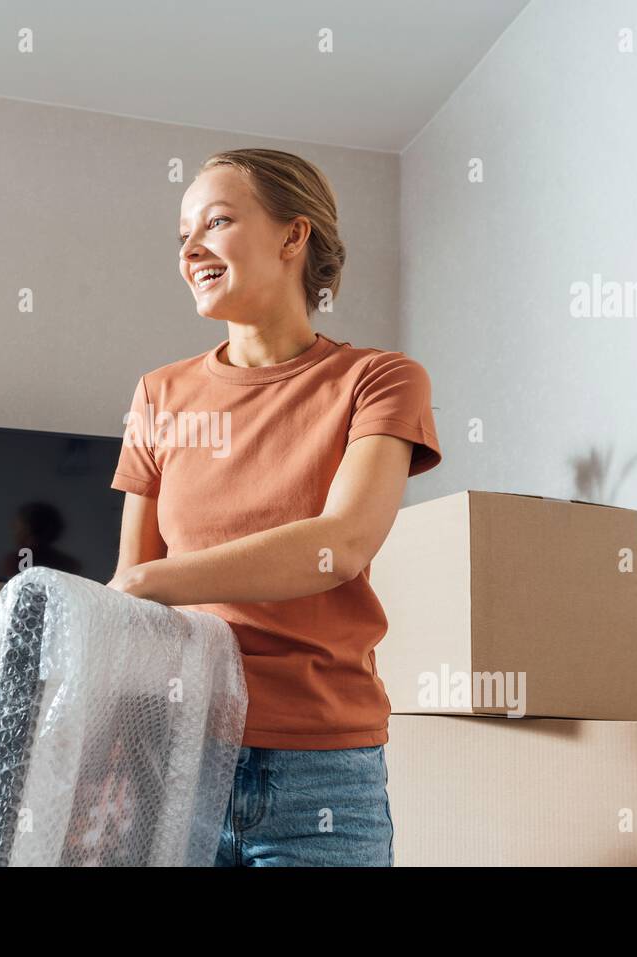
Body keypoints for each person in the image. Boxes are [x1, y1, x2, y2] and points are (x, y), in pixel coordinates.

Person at [106, 148, 442, 866]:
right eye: (183, 235)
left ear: (294, 237)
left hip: (319, 770)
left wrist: (152, 582)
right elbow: (132, 597)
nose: (191, 249)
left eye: (218, 221)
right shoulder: (158, 396)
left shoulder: (377, 381)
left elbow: (341, 543)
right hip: (175, 757)